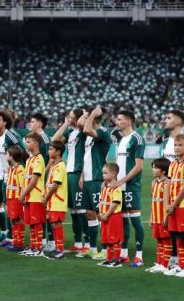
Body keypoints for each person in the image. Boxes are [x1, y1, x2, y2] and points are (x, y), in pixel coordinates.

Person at [110, 109, 146, 267]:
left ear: (129, 121)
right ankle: (124, 254)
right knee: (123, 219)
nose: (117, 122)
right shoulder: (121, 140)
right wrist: (113, 180)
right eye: (117, 119)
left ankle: (139, 256)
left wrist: (122, 181)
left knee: (135, 220)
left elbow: (139, 166)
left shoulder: (137, 139)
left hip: (131, 186)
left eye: (120, 119)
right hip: (120, 185)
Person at [52, 108, 87, 254]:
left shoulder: (84, 132)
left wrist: (84, 116)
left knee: (81, 210)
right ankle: (78, 243)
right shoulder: (70, 132)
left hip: (79, 171)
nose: (69, 118)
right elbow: (55, 140)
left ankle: (87, 244)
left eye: (71, 117)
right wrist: (66, 124)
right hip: (69, 172)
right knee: (73, 210)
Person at [164, 134, 184, 278]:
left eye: (180, 145)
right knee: (178, 236)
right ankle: (181, 265)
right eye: (175, 145)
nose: (177, 148)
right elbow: (168, 184)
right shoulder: (173, 164)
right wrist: (167, 204)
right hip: (173, 206)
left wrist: (173, 204)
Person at [80, 106, 112, 259]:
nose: (84, 119)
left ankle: (106, 250)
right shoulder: (89, 134)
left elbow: (86, 128)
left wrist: (91, 114)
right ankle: (92, 248)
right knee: (89, 213)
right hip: (87, 178)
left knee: (101, 214)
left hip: (97, 178)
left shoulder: (103, 132)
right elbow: (81, 124)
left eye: (86, 117)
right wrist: (82, 175)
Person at [0, 110, 25, 245]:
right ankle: (4, 232)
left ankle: (11, 237)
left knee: (9, 207)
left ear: (5, 122)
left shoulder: (11, 135)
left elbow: (23, 151)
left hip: (10, 176)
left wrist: (19, 170)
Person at [28, 112, 53, 251]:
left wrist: (43, 172)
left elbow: (51, 158)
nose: (30, 124)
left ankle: (50, 241)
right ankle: (42, 240)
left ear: (40, 124)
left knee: (45, 210)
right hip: (38, 178)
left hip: (44, 179)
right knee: (40, 210)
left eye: (32, 121)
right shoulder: (35, 139)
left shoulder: (44, 138)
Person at [19, 132, 46, 257]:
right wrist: (24, 194)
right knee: (30, 223)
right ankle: (33, 246)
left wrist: (23, 194)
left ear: (36, 144)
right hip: (28, 197)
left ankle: (39, 248)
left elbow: (34, 181)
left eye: (28, 142)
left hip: (36, 196)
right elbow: (26, 179)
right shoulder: (29, 159)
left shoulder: (39, 159)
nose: (26, 144)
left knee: (36, 222)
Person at [145, 158, 172, 274]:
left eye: (155, 168)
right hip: (156, 217)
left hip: (163, 217)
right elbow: (154, 201)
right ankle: (159, 263)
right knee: (159, 240)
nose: (153, 170)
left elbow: (168, 201)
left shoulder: (168, 183)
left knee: (166, 240)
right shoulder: (154, 183)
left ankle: (165, 265)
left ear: (164, 171)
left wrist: (166, 217)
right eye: (153, 167)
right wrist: (151, 216)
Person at [43, 140, 68, 260]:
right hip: (52, 201)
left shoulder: (60, 166)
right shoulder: (54, 166)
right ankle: (57, 248)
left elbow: (55, 185)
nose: (49, 151)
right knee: (54, 224)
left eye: (51, 149)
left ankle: (60, 250)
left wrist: (46, 197)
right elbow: (49, 184)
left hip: (57, 201)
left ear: (58, 152)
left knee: (57, 224)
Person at [98, 162, 123, 268]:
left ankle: (117, 260)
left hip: (113, 217)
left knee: (115, 239)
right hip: (104, 217)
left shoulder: (116, 188)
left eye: (105, 173)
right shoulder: (105, 187)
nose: (103, 175)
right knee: (107, 240)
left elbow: (115, 204)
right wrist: (100, 213)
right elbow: (102, 201)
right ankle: (109, 259)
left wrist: (106, 215)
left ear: (113, 174)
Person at [4, 145, 26, 252]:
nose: (5, 155)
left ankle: (20, 243)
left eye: (7, 154)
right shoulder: (10, 169)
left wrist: (22, 197)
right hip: (10, 198)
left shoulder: (20, 169)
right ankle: (15, 241)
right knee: (12, 219)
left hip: (17, 199)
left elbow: (23, 185)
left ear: (11, 156)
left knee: (18, 219)